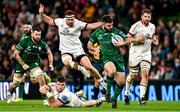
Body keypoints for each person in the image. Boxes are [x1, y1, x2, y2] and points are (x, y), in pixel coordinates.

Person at [38, 4, 106, 90]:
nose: (70, 21)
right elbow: (50, 21)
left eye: (72, 19)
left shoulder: (78, 23)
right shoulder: (60, 22)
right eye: (68, 19)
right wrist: (42, 14)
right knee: (66, 62)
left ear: (74, 18)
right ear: (65, 19)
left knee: (89, 67)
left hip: (77, 50)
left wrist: (103, 23)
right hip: (66, 50)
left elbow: (91, 26)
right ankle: (81, 69)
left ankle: (101, 81)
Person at [115, 9, 159, 105]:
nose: (147, 18)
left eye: (149, 17)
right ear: (141, 17)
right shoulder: (135, 26)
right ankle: (126, 93)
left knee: (145, 74)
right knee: (132, 75)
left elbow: (152, 36)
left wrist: (154, 40)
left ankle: (142, 97)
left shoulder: (152, 26)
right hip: (135, 53)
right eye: (145, 16)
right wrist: (138, 39)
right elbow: (127, 38)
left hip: (146, 53)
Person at [87, 15, 127, 108]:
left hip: (118, 58)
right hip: (104, 57)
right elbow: (89, 46)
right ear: (103, 24)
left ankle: (113, 99)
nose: (111, 27)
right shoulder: (97, 33)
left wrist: (123, 43)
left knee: (121, 82)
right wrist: (95, 49)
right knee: (109, 72)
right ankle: (105, 94)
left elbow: (127, 39)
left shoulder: (116, 31)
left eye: (112, 25)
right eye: (109, 25)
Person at [7, 27, 54, 103]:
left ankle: (45, 100)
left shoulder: (42, 44)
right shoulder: (25, 41)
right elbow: (16, 54)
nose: (38, 36)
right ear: (32, 34)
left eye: (39, 35)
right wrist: (23, 64)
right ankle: (10, 92)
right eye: (36, 34)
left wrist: (51, 64)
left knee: (41, 79)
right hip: (21, 63)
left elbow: (49, 53)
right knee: (15, 84)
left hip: (33, 63)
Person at [40, 76, 106, 107]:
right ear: (56, 84)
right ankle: (78, 93)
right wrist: (47, 92)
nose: (60, 86)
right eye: (59, 84)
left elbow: (55, 105)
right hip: (70, 95)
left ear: (65, 85)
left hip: (73, 101)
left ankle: (100, 100)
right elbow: (41, 89)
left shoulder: (65, 95)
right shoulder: (53, 85)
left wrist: (49, 99)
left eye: (62, 85)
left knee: (83, 104)